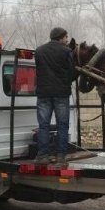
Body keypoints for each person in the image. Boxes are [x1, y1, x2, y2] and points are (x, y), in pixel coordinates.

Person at [34, 27, 77, 165]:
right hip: (61, 94)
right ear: (61, 38)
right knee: (62, 125)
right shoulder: (67, 52)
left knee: (43, 125)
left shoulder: (39, 51)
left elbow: (39, 71)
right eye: (66, 37)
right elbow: (71, 73)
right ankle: (61, 157)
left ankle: (42, 156)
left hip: (43, 94)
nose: (67, 40)